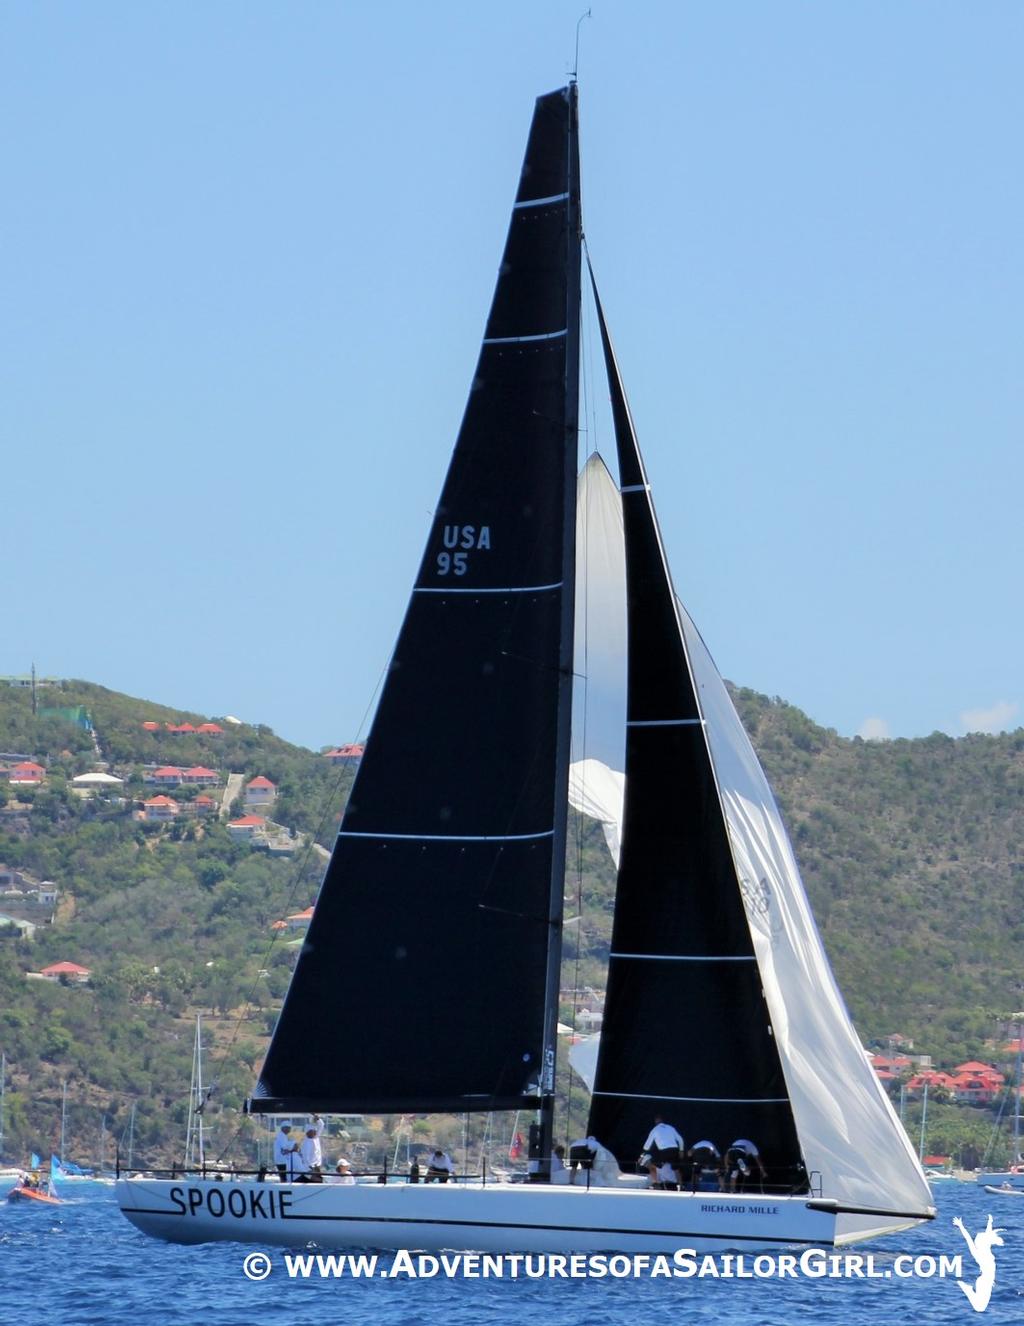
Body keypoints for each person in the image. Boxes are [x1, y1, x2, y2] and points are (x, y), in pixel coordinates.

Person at [642, 1116, 684, 1187]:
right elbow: (680, 1139)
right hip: (674, 1150)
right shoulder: (671, 1128)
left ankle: (655, 1183)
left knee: (651, 1166)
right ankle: (681, 1185)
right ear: (663, 1121)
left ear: (655, 1122)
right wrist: (681, 1150)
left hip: (664, 1152)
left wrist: (644, 1152)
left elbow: (647, 1145)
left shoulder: (655, 1129)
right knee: (676, 1169)